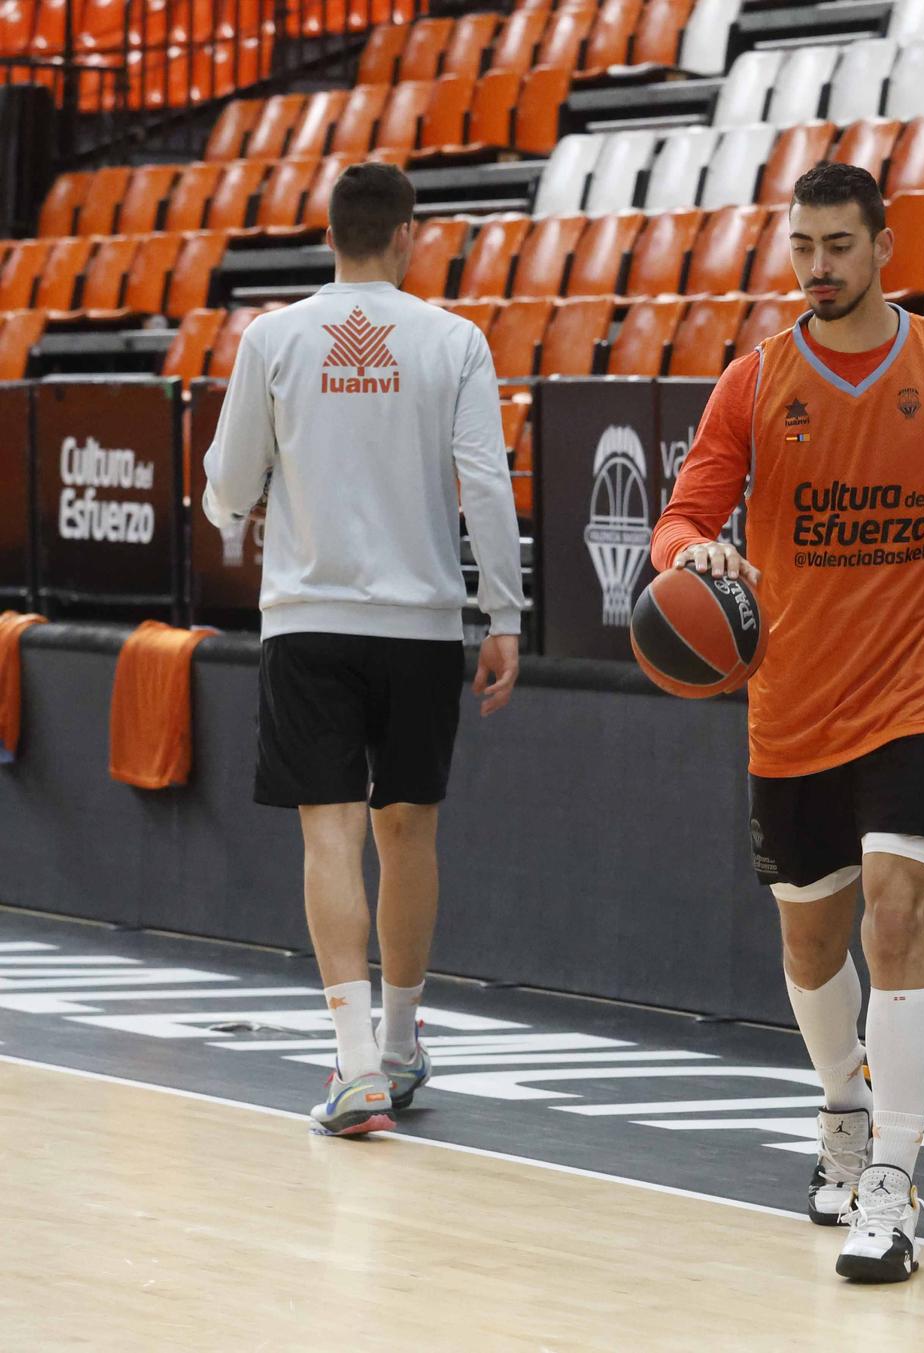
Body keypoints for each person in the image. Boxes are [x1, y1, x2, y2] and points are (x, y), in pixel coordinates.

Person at [652, 162, 924, 1282]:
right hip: (793, 702)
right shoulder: (754, 381)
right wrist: (696, 554)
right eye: (802, 246)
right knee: (810, 941)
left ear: (884, 248)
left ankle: (893, 1178)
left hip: (919, 693)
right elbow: (679, 517)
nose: (817, 268)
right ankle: (839, 1107)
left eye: (838, 246)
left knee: (895, 912)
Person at [202, 162, 526, 1137]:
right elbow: (487, 486)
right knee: (408, 832)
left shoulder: (274, 336)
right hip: (422, 625)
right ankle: (396, 1040)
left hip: (308, 621)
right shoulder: (452, 339)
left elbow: (228, 483)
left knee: (329, 835)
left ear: (330, 235)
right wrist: (503, 615)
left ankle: (355, 1073)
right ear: (406, 234)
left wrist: (231, 514)